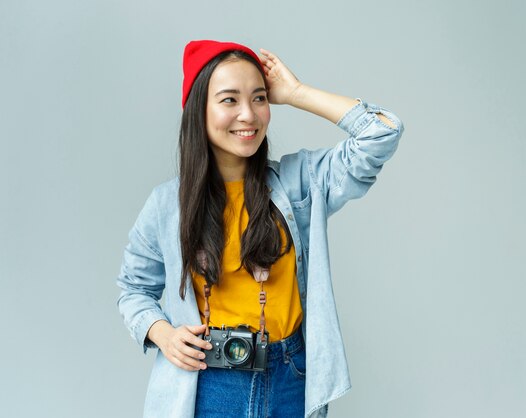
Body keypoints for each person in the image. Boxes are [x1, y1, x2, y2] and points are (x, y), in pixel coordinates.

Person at [117, 40, 404, 418]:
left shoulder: (299, 183)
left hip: (290, 377)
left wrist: (297, 93)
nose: (248, 115)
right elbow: (133, 289)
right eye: (229, 100)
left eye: (258, 98)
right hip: (208, 384)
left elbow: (381, 132)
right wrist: (163, 334)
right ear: (198, 109)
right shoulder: (166, 205)